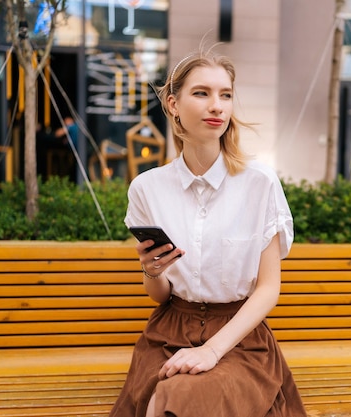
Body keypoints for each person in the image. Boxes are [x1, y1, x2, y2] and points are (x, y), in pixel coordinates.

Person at [108, 45, 307, 417]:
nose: (217, 106)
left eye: (226, 95)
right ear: (173, 104)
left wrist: (211, 350)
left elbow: (267, 289)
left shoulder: (259, 183)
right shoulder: (147, 189)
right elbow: (159, 294)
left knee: (181, 400)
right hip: (168, 333)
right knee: (157, 399)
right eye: (202, 93)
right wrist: (152, 270)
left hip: (239, 340)